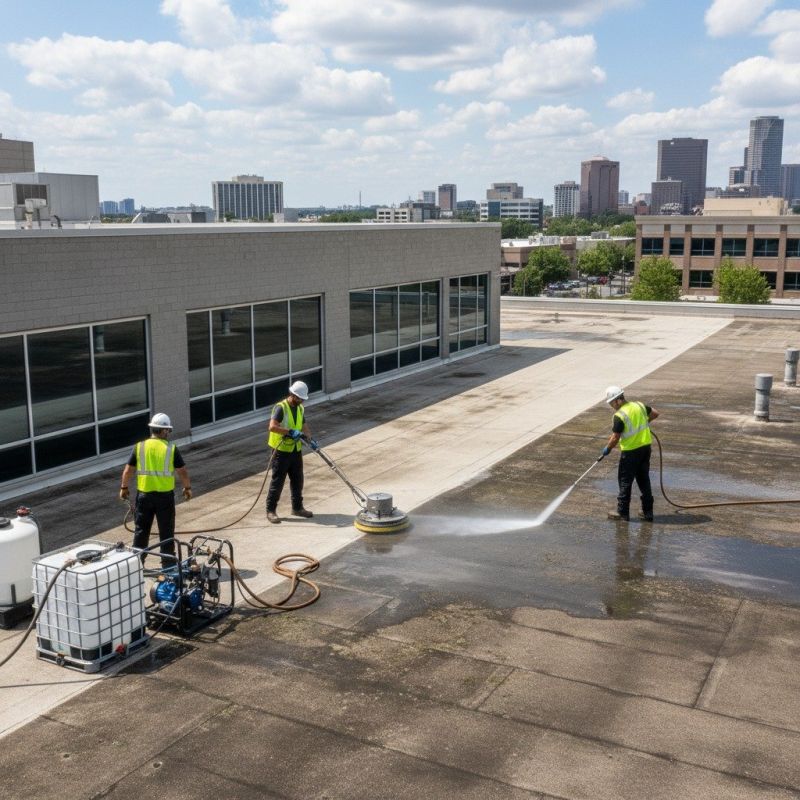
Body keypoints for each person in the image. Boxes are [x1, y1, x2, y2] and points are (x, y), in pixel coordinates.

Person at [119, 413, 192, 563]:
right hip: (164, 498)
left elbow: (128, 471)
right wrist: (187, 488)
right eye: (168, 431)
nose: (168, 434)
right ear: (164, 430)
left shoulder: (140, 446)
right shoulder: (170, 449)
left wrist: (124, 487)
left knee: (141, 531)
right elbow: (182, 471)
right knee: (166, 532)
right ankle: (168, 564)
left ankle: (137, 564)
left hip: (144, 496)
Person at [601, 386, 659, 522]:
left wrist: (607, 449)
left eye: (611, 403)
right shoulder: (639, 405)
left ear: (618, 400)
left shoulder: (619, 415)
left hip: (630, 452)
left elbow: (615, 437)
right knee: (644, 479)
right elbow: (655, 413)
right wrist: (645, 423)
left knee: (625, 481)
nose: (611, 406)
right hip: (645, 448)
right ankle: (648, 512)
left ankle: (622, 513)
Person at [265, 381, 317, 524]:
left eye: (303, 399)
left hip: (295, 450)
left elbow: (304, 425)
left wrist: (309, 438)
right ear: (293, 395)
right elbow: (272, 427)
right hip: (280, 451)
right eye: (299, 398)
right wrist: (289, 431)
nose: (301, 401)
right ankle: (271, 510)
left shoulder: (300, 408)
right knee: (278, 482)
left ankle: (297, 508)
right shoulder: (281, 408)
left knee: (298, 480)